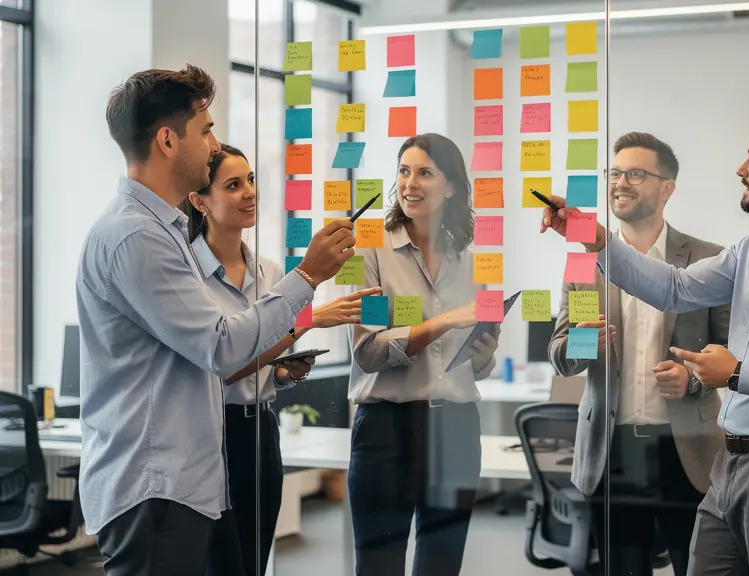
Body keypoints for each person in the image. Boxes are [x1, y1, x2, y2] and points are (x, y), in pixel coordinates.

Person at [540, 105, 749, 576]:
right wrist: (589, 234)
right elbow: (675, 289)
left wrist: (739, 374)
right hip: (729, 460)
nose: (741, 170)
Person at [76, 65, 354, 576]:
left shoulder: (162, 231)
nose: (214, 142)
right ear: (167, 140)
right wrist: (309, 276)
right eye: (204, 129)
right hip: (155, 487)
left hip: (177, 484)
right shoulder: (137, 237)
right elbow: (221, 347)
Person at [177, 144, 381, 576]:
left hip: (261, 430)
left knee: (254, 558)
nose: (249, 192)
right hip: (212, 433)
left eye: (251, 180)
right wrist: (308, 322)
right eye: (233, 185)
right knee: (222, 563)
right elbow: (223, 366)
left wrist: (284, 370)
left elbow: (258, 360)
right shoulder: (186, 274)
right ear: (200, 200)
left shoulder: (270, 273)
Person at [548, 132, 728, 575]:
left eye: (635, 173)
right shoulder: (585, 262)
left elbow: (733, 353)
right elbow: (561, 356)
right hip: (611, 452)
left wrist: (694, 379)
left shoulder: (707, 260)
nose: (619, 183)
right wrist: (584, 341)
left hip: (687, 451)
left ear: (667, 187)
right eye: (614, 172)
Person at [347, 133, 500, 576]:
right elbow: (369, 351)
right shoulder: (369, 247)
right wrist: (444, 323)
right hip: (386, 431)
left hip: (455, 427)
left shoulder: (469, 261)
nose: (410, 183)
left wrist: (484, 351)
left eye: (425, 173)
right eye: (404, 171)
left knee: (441, 565)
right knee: (379, 566)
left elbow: (480, 366)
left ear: (451, 187)